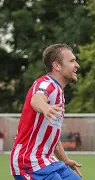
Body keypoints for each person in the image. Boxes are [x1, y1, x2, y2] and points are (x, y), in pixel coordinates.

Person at [10, 44, 82, 179]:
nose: (77, 65)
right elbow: (36, 99)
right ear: (57, 66)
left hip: (48, 161)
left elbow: (51, 133)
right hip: (29, 163)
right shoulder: (46, 83)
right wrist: (46, 108)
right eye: (72, 61)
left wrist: (65, 160)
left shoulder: (58, 91)